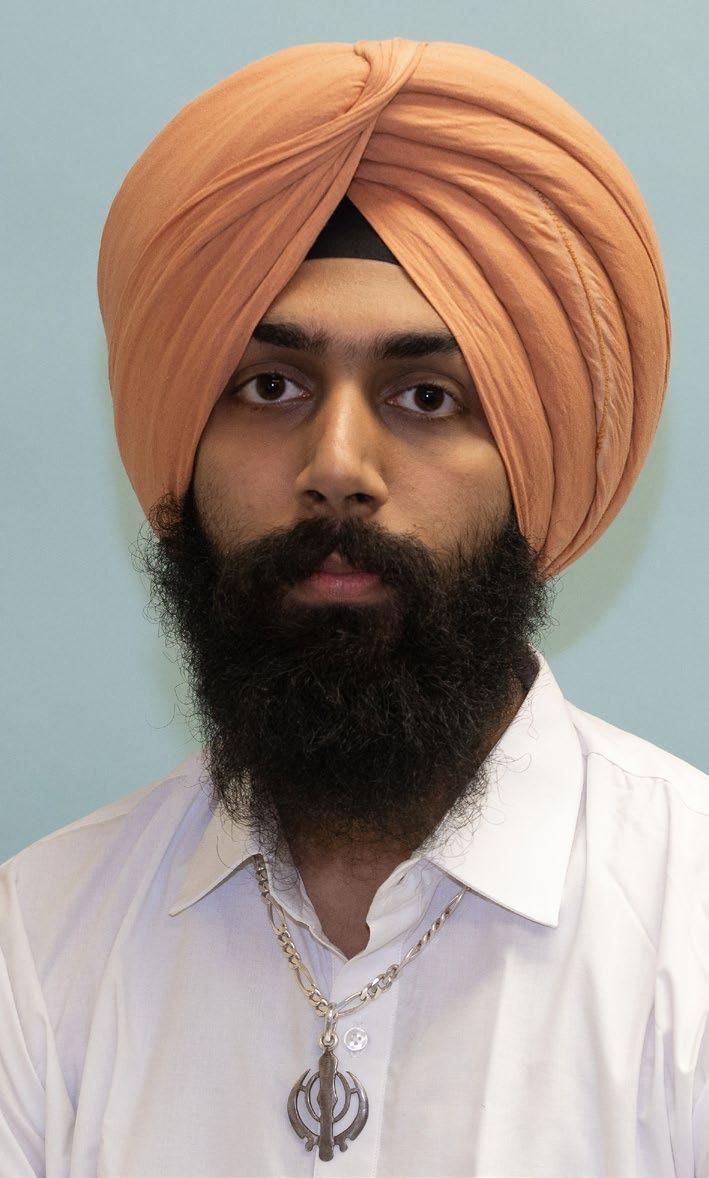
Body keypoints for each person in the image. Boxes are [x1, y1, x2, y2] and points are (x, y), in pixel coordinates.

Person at [1, 38, 706, 1178]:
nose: (337, 466)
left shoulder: (689, 929)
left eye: (426, 396)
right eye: (270, 385)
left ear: (534, 469)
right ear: (184, 446)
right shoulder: (38, 944)